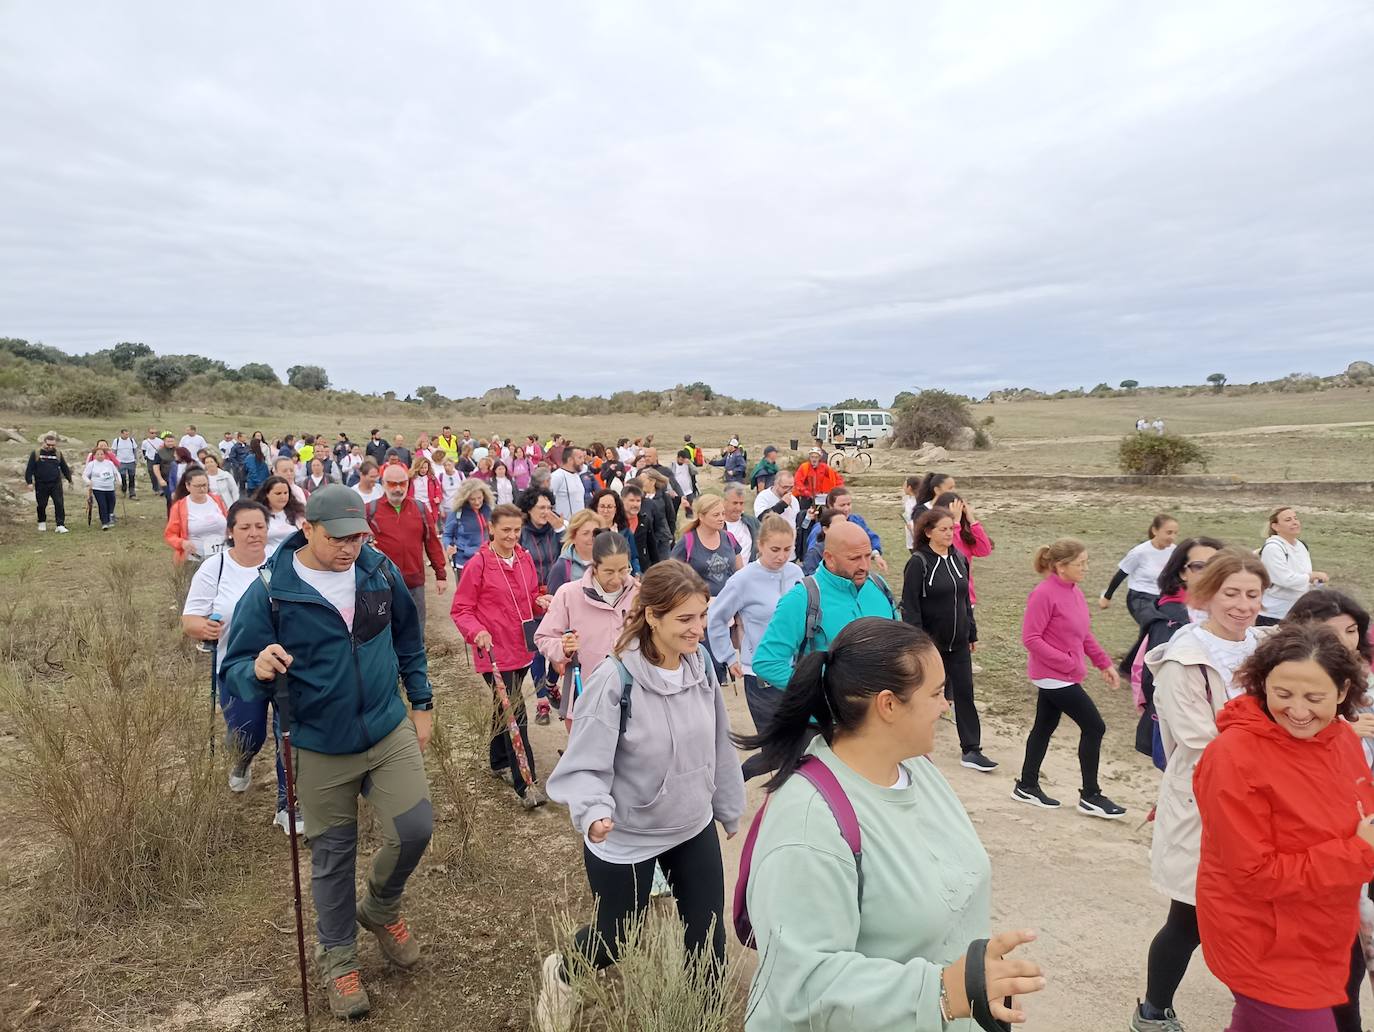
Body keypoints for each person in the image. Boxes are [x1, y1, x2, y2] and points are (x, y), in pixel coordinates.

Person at [735, 617, 1045, 1031]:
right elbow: (800, 985)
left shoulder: (917, 766)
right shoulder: (809, 824)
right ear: (889, 705)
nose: (945, 705)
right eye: (936, 693)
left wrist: (972, 984)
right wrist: (940, 991)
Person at [220, 485, 433, 1020]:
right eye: (337, 537)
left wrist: (422, 700)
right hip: (317, 744)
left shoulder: (377, 570)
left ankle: (381, 906)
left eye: (357, 535)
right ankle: (339, 961)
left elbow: (409, 636)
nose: (348, 547)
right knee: (333, 858)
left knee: (415, 829)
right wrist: (257, 668)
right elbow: (234, 668)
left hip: (386, 728)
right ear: (308, 528)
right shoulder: (272, 589)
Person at [537, 561, 746, 1032]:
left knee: (707, 941)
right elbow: (585, 762)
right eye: (685, 620)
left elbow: (717, 741)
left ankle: (701, 1021)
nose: (698, 630)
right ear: (651, 616)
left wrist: (727, 806)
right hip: (626, 834)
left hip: (690, 825)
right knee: (616, 938)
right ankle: (563, 971)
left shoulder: (699, 667)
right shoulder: (615, 680)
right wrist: (593, 812)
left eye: (702, 616)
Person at [1193, 624, 1374, 1031]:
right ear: (1261, 685)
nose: (1298, 710)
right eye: (1282, 694)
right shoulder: (1233, 757)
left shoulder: (1341, 738)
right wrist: (1361, 852)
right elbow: (1254, 873)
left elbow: (1360, 810)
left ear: (1344, 692)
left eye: (1315, 698)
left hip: (1322, 926)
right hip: (1264, 938)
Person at [1130, 548, 1270, 1032]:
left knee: (1255, 909)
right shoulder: (1182, 659)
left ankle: (1266, 1008)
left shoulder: (1270, 646)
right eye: (1231, 593)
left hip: (1267, 803)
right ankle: (1152, 1011)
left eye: (1253, 594)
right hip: (1204, 802)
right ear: (1207, 595)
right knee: (1190, 916)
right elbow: (1200, 741)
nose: (1243, 604)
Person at [1285, 589, 1374, 1032]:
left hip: (1365, 830)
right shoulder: (1297, 697)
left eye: (1352, 631)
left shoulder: (1365, 678)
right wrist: (1345, 731)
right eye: (1331, 633)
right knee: (1342, 965)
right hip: (1330, 846)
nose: (1345, 641)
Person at [180, 499, 294, 827]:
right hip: (236, 666)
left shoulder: (279, 565)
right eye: (245, 527)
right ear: (231, 532)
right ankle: (241, 761)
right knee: (249, 733)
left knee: (287, 733)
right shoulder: (214, 568)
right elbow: (190, 620)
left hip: (281, 666)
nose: (253, 533)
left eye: (259, 526)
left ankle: (288, 805)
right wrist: (205, 628)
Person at [450, 504, 553, 809]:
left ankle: (498, 761)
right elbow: (461, 610)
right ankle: (527, 784)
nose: (511, 536)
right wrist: (477, 632)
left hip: (521, 647)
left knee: (504, 706)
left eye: (516, 530)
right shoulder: (479, 563)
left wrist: (539, 601)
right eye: (505, 530)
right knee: (515, 712)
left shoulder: (522, 558)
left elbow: (528, 596)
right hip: (493, 652)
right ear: (491, 529)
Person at [1013, 538, 1124, 818]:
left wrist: (1104, 664)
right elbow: (1031, 638)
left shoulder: (1073, 590)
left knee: (1043, 727)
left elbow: (1083, 634)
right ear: (1061, 567)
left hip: (1064, 675)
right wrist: (1068, 663)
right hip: (1053, 676)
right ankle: (1090, 795)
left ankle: (1026, 785)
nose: (1086, 568)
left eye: (1086, 562)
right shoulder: (1043, 594)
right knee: (1094, 727)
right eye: (1080, 563)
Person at [753, 521, 900, 693]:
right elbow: (767, 663)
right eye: (854, 559)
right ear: (829, 558)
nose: (864, 566)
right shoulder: (801, 598)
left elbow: (899, 644)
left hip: (881, 713)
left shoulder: (878, 586)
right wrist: (820, 693)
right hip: (826, 718)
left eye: (868, 556)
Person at [707, 513, 802, 776]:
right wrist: (728, 657)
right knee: (775, 753)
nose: (782, 556)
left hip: (795, 673)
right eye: (775, 550)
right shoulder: (743, 580)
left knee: (801, 746)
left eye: (787, 549)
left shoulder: (796, 573)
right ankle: (731, 783)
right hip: (759, 675)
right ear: (760, 545)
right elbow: (716, 618)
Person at [903, 506, 995, 773]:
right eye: (943, 529)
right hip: (931, 646)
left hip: (959, 643)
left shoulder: (959, 559)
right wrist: (918, 644)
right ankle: (910, 746)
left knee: (965, 693)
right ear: (929, 532)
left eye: (951, 529)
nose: (948, 534)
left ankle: (971, 749)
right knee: (924, 695)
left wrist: (972, 632)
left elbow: (965, 600)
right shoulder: (919, 562)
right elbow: (910, 607)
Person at [1129, 536, 1224, 760]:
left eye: (1217, 565)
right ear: (1182, 573)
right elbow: (1155, 680)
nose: (1209, 572)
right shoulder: (1170, 618)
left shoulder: (1233, 612)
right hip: (1185, 728)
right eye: (1199, 566)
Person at [535, 530, 640, 726]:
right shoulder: (569, 594)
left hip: (632, 694)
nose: (617, 579)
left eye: (623, 570)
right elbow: (543, 637)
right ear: (594, 565)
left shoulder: (639, 595)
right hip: (583, 691)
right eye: (609, 572)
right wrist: (563, 648)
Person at [364, 463, 448, 630]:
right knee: (386, 632)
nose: (398, 488)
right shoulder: (370, 511)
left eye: (402, 483)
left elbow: (432, 542)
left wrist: (441, 574)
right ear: (383, 483)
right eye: (392, 484)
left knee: (416, 630)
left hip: (414, 583)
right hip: (383, 585)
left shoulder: (420, 509)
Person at [1100, 513, 1179, 628]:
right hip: (1140, 597)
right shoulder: (1139, 552)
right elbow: (1121, 574)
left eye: (1175, 533)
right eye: (1168, 532)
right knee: (1153, 625)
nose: (1172, 537)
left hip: (1163, 597)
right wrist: (1107, 597)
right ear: (1155, 531)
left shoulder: (1175, 551)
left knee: (1171, 627)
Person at [1258, 506, 1329, 624]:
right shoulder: (1273, 548)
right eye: (1288, 520)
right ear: (1275, 526)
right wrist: (1311, 576)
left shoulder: (1301, 546)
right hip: (1274, 614)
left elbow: (1302, 575)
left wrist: (1315, 582)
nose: (1294, 522)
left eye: (1295, 518)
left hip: (1298, 612)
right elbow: (1285, 579)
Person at [670, 494, 743, 599]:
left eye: (723, 514)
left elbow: (740, 572)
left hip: (730, 601)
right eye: (716, 515)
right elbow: (672, 574)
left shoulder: (729, 538)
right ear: (701, 516)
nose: (721, 518)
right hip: (700, 605)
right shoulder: (687, 542)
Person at [802, 486, 885, 573]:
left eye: (849, 504)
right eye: (842, 505)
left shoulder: (857, 521)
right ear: (830, 506)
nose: (846, 509)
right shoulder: (819, 528)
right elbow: (811, 558)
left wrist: (876, 555)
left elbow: (870, 538)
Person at [164, 468, 229, 563]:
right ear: (188, 486)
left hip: (222, 556)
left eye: (204, 485)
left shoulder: (216, 500)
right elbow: (170, 534)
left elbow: (229, 523)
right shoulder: (179, 507)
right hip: (195, 559)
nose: (202, 489)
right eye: (197, 486)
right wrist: (182, 543)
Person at [442, 478, 493, 579]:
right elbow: (447, 534)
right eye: (472, 499)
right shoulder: (457, 513)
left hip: (486, 559)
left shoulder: (488, 510)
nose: (477, 502)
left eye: (479, 498)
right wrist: (448, 546)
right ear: (465, 498)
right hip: (465, 562)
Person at [548, 509, 601, 597]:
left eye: (596, 532)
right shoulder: (561, 567)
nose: (592, 538)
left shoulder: (607, 562)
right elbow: (553, 604)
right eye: (585, 533)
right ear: (573, 537)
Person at [589, 489, 642, 575]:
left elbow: (633, 558)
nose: (605, 511)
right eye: (602, 506)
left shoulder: (625, 532)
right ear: (596, 508)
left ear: (616, 509)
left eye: (609, 507)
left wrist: (637, 573)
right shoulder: (589, 532)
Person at [254, 475, 306, 557]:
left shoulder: (299, 514)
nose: (283, 497)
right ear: (267, 494)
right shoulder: (256, 515)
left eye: (286, 493)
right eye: (278, 493)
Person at [82, 444, 119, 530]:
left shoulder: (109, 463)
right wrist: (88, 482)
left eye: (101, 454)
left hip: (110, 487)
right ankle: (104, 522)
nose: (100, 456)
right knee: (102, 504)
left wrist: (119, 481)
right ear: (94, 455)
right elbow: (84, 475)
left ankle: (110, 515)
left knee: (112, 502)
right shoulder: (92, 464)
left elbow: (116, 473)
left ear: (104, 455)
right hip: (98, 488)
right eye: (97, 454)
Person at [721, 483, 761, 562]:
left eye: (741, 503)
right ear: (724, 502)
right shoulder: (716, 525)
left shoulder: (752, 522)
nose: (738, 508)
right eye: (735, 503)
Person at [801, 507, 846, 576]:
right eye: (838, 526)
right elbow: (808, 577)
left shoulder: (850, 547)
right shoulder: (815, 552)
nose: (843, 529)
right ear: (825, 529)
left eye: (845, 525)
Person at [549, 445, 587, 520]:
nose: (583, 461)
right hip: (565, 526)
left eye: (583, 457)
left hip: (579, 524)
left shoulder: (576, 475)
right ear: (570, 460)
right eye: (579, 458)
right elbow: (547, 500)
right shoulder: (556, 476)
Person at [670, 449, 700, 515]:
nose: (682, 461)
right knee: (674, 509)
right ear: (677, 458)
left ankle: (689, 520)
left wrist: (690, 464)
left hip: (688, 491)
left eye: (683, 459)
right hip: (677, 492)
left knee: (689, 509)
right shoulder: (673, 466)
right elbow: (670, 478)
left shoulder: (687, 465)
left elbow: (696, 471)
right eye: (680, 459)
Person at [112, 428, 139, 499]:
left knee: (132, 477)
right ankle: (123, 490)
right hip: (121, 462)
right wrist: (114, 461)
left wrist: (136, 459)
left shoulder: (131, 440)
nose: (126, 435)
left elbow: (135, 450)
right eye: (125, 434)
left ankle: (132, 493)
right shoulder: (117, 441)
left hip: (131, 461)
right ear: (121, 434)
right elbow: (114, 452)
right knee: (122, 477)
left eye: (127, 434)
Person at [901, 474, 922, 553]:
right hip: (910, 536)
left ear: (909, 488)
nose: (903, 488)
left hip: (917, 535)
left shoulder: (918, 502)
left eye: (904, 486)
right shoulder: (908, 500)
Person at [140, 426, 163, 495]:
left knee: (159, 474)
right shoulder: (145, 442)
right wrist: (145, 457)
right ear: (148, 433)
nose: (154, 434)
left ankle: (161, 489)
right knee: (152, 474)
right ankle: (155, 489)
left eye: (155, 433)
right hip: (150, 459)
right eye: (152, 433)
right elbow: (143, 450)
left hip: (158, 458)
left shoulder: (160, 441)